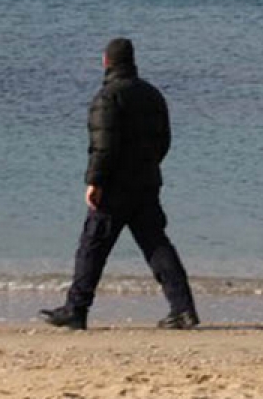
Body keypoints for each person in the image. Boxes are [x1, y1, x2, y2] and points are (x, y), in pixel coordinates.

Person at [40, 38, 199, 331]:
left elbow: (103, 146)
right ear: (132, 61)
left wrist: (95, 181)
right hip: (146, 183)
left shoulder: (107, 97)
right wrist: (148, 166)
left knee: (92, 246)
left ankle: (76, 309)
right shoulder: (152, 94)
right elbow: (164, 140)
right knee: (157, 245)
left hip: (115, 187)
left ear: (106, 62)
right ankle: (183, 309)